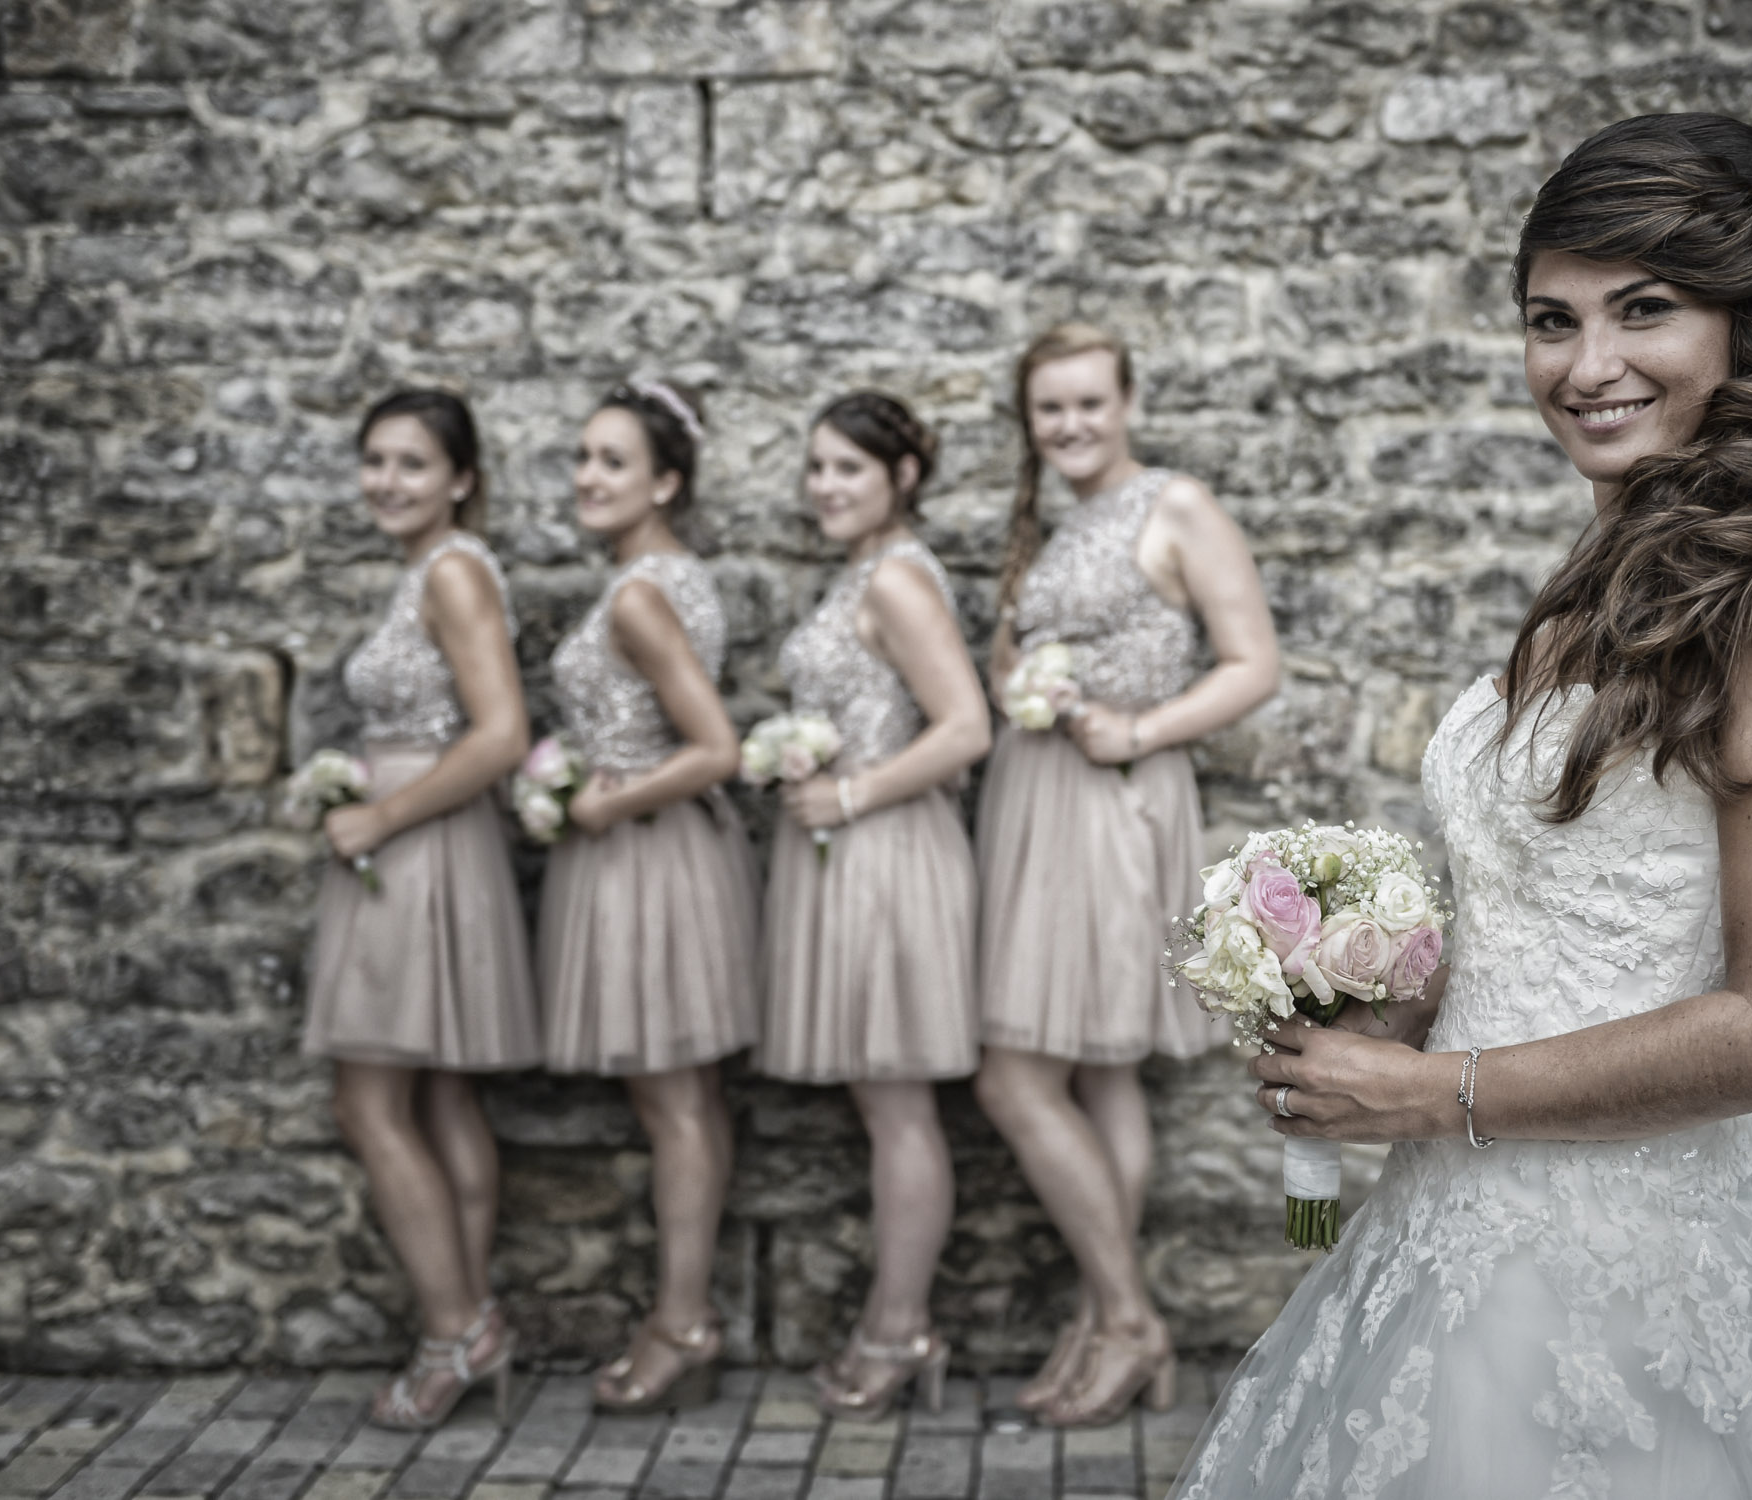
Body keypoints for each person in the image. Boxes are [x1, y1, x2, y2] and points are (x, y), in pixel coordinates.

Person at [1169, 114, 1752, 1498]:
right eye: (1551, 319)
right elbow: (1564, 901)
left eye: (1641, 310)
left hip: (1616, 1254)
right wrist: (1394, 1004)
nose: (1585, 368)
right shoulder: (1619, 564)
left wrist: (1434, 1090)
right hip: (1450, 1220)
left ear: (1745, 327)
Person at [973, 323, 1282, 1427]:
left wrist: (1141, 727)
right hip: (1034, 797)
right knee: (1097, 1074)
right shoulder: (1057, 526)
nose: (1068, 426)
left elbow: (1253, 664)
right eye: (1047, 409)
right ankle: (1103, 1320)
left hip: (1111, 800)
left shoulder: (1177, 505)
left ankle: (1127, 1317)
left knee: (1016, 1076)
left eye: (1087, 403)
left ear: (1127, 399)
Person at [306, 388, 540, 1430]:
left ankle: (457, 1329)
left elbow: (499, 734)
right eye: (375, 461)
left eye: (411, 464)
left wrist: (379, 815)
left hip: (417, 845)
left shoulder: (451, 570)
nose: (386, 482)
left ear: (462, 480)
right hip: (425, 842)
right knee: (440, 1098)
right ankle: (464, 1319)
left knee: (371, 1101)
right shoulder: (434, 570)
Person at [757, 392, 993, 1419]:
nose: (823, 486)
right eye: (815, 467)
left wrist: (845, 791)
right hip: (850, 857)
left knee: (897, 1104)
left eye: (846, 468)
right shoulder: (866, 573)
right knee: (877, 1100)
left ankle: (900, 1330)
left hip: (889, 853)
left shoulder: (897, 581)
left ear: (901, 477)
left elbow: (964, 728)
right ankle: (896, 1322)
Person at [534, 381, 758, 1413]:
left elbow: (713, 748)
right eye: (581, 456)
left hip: (648, 853)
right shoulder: (664, 577)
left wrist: (597, 802)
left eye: (612, 461)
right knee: (687, 1103)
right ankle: (686, 1315)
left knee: (673, 1103)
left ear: (665, 481)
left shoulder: (638, 591)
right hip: (665, 852)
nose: (587, 476)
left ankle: (681, 1322)